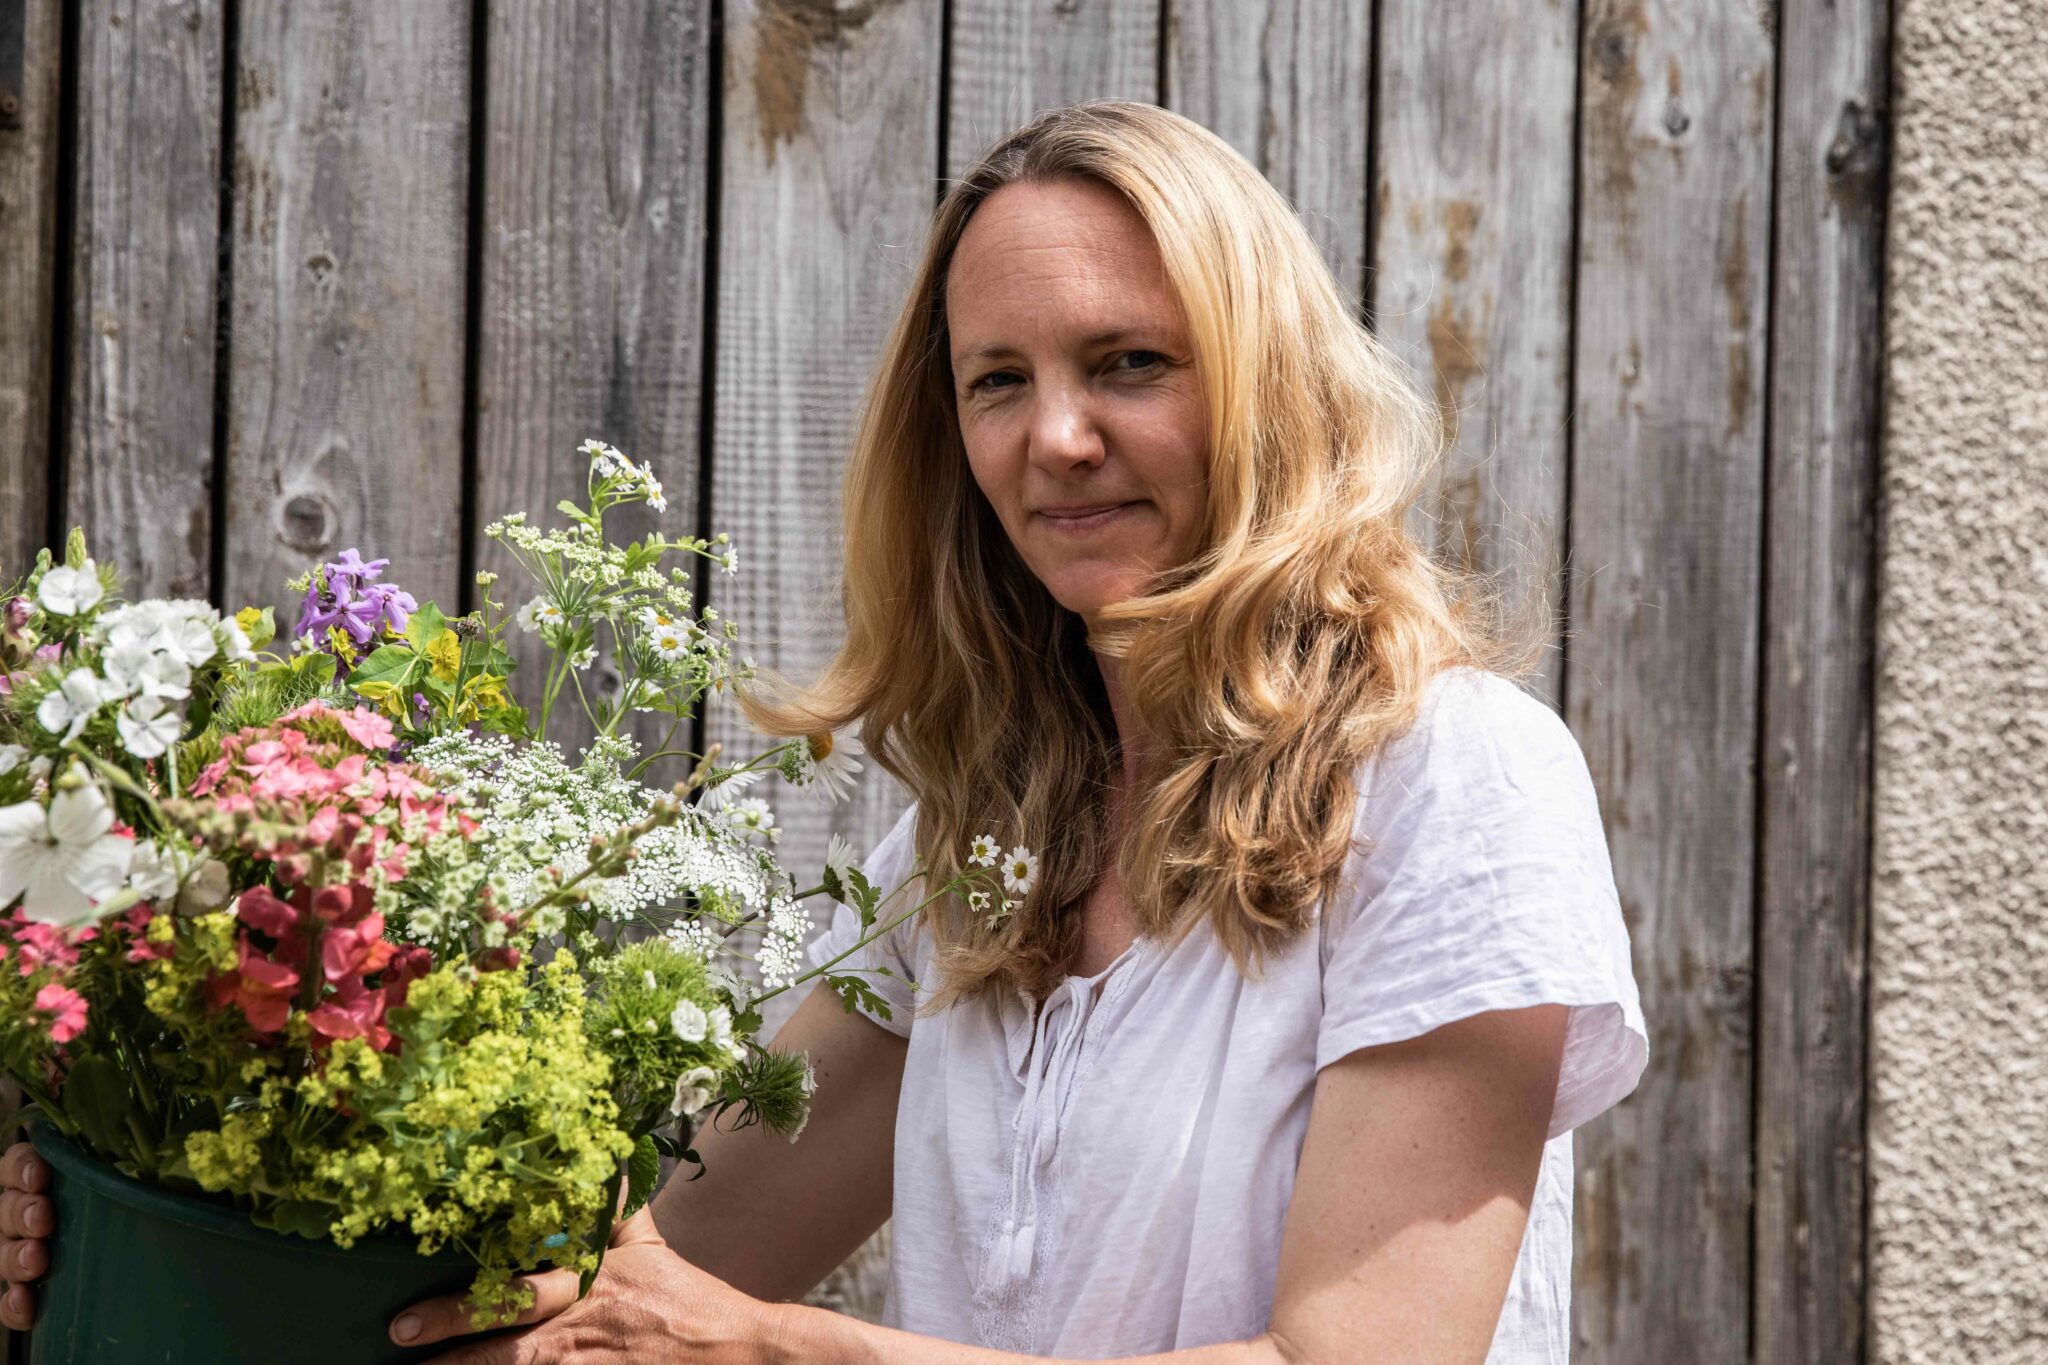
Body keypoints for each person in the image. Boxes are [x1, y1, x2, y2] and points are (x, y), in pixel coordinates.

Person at [0, 100, 1646, 1363]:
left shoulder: (1453, 780)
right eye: (997, 381)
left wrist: (783, 1354)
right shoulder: (976, 856)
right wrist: (127, 1198)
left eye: (1131, 363)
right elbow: (634, 1287)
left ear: (1272, 388)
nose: (1057, 437)